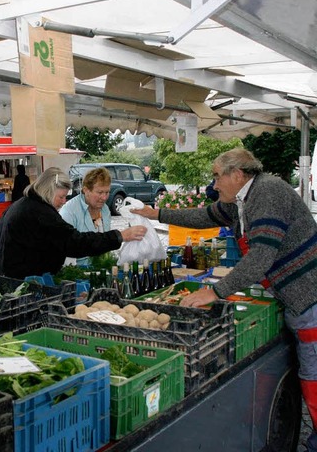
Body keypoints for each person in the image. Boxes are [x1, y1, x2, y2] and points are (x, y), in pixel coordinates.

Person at [132, 148, 317, 451]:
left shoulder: (267, 193)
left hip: (307, 294)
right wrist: (157, 214)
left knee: (314, 372)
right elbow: (204, 215)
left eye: (218, 176)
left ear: (238, 174)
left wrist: (214, 291)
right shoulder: (241, 200)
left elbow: (260, 258)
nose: (215, 184)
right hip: (291, 293)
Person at [0, 167, 146, 279]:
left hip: (9, 276)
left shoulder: (22, 205)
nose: (64, 201)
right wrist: (119, 236)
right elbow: (74, 242)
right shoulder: (40, 213)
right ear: (48, 192)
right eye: (61, 197)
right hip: (23, 280)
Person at [59, 167, 112, 266]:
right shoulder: (69, 211)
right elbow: (66, 246)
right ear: (86, 190)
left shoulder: (105, 210)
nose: (104, 197)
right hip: (76, 270)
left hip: (101, 267)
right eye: (100, 192)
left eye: (107, 192)